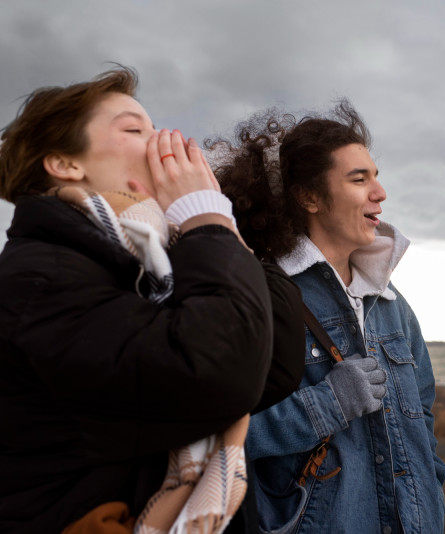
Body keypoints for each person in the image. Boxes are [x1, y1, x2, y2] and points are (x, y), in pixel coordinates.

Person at [0, 67, 303, 533]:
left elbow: (275, 366)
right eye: (134, 129)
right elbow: (222, 375)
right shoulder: (40, 278)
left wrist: (215, 228)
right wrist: (205, 221)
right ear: (64, 164)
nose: (160, 139)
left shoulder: (150, 259)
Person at [211, 101, 445, 534]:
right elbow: (216, 440)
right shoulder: (261, 298)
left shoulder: (394, 306)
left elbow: (424, 427)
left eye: (376, 176)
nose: (380, 192)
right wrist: (324, 406)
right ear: (310, 197)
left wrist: (431, 495)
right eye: (359, 179)